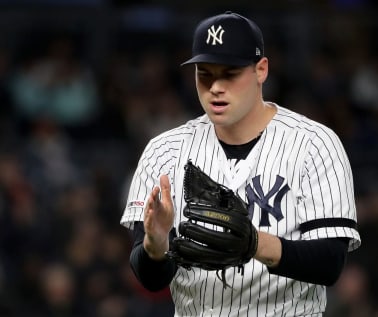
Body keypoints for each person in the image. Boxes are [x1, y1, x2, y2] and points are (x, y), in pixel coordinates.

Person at [120, 11, 361, 317]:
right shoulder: (163, 150)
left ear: (261, 70)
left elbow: (330, 263)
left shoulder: (314, 143)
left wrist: (254, 244)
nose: (216, 87)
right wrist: (155, 245)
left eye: (230, 73)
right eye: (204, 73)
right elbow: (151, 280)